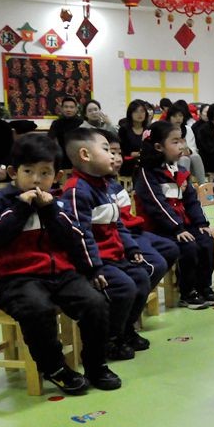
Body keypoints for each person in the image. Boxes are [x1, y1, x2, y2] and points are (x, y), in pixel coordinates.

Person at [0, 134, 121, 394]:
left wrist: (52, 211)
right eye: (28, 171)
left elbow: (75, 238)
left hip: (60, 274)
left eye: (44, 173)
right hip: (15, 279)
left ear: (57, 176)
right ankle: (55, 368)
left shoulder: (58, 201)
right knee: (37, 309)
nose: (36, 180)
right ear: (13, 172)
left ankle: (96, 364)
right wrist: (20, 209)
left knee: (96, 302)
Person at [61, 129, 152, 361]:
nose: (113, 155)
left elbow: (117, 224)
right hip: (97, 262)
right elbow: (79, 235)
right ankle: (110, 339)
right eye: (105, 150)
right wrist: (92, 268)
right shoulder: (76, 190)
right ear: (85, 155)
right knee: (124, 288)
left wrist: (131, 248)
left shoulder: (105, 186)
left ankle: (125, 330)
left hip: (115, 256)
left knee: (142, 278)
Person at [134, 121, 214, 309]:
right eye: (175, 142)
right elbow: (157, 205)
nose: (181, 146)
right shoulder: (146, 173)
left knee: (207, 241)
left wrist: (201, 223)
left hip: (181, 225)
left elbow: (191, 201)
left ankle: (203, 286)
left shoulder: (180, 170)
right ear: (158, 147)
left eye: (182, 141)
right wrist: (177, 227)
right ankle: (187, 291)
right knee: (189, 247)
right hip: (160, 228)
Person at [102, 130, 179, 293]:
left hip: (134, 231)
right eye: (111, 153)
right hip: (124, 236)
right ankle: (134, 296)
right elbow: (117, 226)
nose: (117, 159)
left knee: (171, 248)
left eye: (119, 153)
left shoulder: (113, 184)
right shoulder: (95, 189)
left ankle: (139, 293)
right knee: (156, 265)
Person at [167, 101, 206, 182]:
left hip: (188, 155)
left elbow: (193, 148)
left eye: (180, 116)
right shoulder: (165, 130)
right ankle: (184, 185)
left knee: (195, 156)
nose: (178, 118)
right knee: (184, 159)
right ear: (169, 117)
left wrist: (188, 151)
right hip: (171, 160)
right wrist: (180, 152)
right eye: (174, 116)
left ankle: (202, 185)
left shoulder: (187, 129)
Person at [117, 100, 150, 177]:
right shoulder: (124, 130)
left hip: (145, 163)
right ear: (130, 113)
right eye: (136, 111)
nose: (140, 114)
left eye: (142, 111)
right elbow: (121, 149)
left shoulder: (149, 130)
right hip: (128, 164)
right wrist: (132, 154)